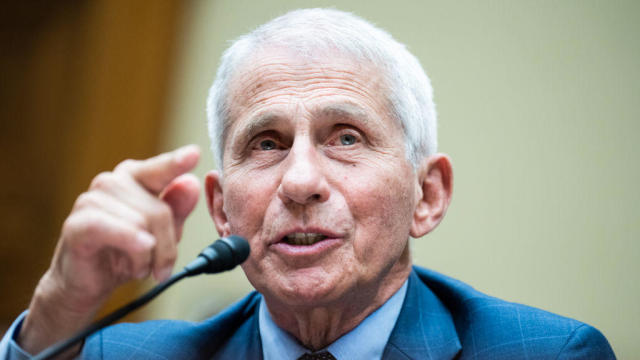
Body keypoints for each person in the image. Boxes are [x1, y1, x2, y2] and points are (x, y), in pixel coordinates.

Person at [0, 8, 615, 360]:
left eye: (346, 138)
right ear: (220, 209)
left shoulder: (545, 354)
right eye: (265, 144)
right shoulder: (123, 358)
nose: (298, 181)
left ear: (427, 196)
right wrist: (62, 307)